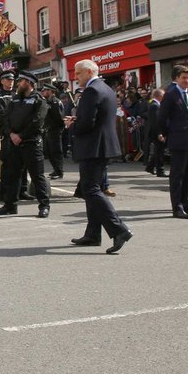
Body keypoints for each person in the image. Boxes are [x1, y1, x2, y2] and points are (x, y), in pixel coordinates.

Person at [65, 60, 132, 254]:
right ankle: (93, 233)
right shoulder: (107, 89)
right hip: (103, 146)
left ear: (88, 72)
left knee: (91, 189)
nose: (76, 78)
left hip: (93, 147)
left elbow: (87, 123)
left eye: (78, 74)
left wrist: (73, 125)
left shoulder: (92, 91)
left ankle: (119, 229)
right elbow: (97, 118)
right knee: (91, 189)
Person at [0, 72, 50, 218]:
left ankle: (44, 205)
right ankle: (10, 205)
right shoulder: (14, 100)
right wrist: (11, 134)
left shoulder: (39, 100)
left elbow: (37, 122)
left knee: (37, 176)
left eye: (21, 81)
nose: (18, 84)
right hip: (14, 143)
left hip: (31, 144)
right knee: (13, 176)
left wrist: (21, 135)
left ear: (29, 83)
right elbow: (6, 119)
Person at [158, 65, 188, 219]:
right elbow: (163, 116)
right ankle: (177, 207)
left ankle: (186, 204)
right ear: (176, 78)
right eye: (184, 78)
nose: (187, 80)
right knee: (177, 175)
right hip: (178, 140)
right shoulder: (170, 95)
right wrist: (163, 133)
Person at [0, 70, 17, 208]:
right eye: (8, 79)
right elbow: (2, 116)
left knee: (20, 165)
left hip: (19, 134)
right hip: (7, 134)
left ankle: (21, 190)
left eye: (12, 79)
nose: (11, 81)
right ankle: (5, 192)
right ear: (1, 81)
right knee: (7, 164)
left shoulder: (17, 94)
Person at [41, 83, 65, 180]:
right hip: (48, 129)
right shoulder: (47, 102)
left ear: (52, 92)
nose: (44, 92)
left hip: (55, 129)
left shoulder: (55, 102)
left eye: (46, 90)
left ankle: (59, 171)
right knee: (49, 151)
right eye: (43, 90)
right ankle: (55, 169)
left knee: (56, 151)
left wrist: (59, 129)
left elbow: (59, 118)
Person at [144, 88, 167, 176]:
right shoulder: (154, 105)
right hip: (156, 132)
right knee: (159, 151)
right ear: (159, 96)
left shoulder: (155, 104)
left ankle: (150, 167)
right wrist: (159, 133)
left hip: (155, 131)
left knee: (158, 150)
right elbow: (155, 121)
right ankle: (160, 170)